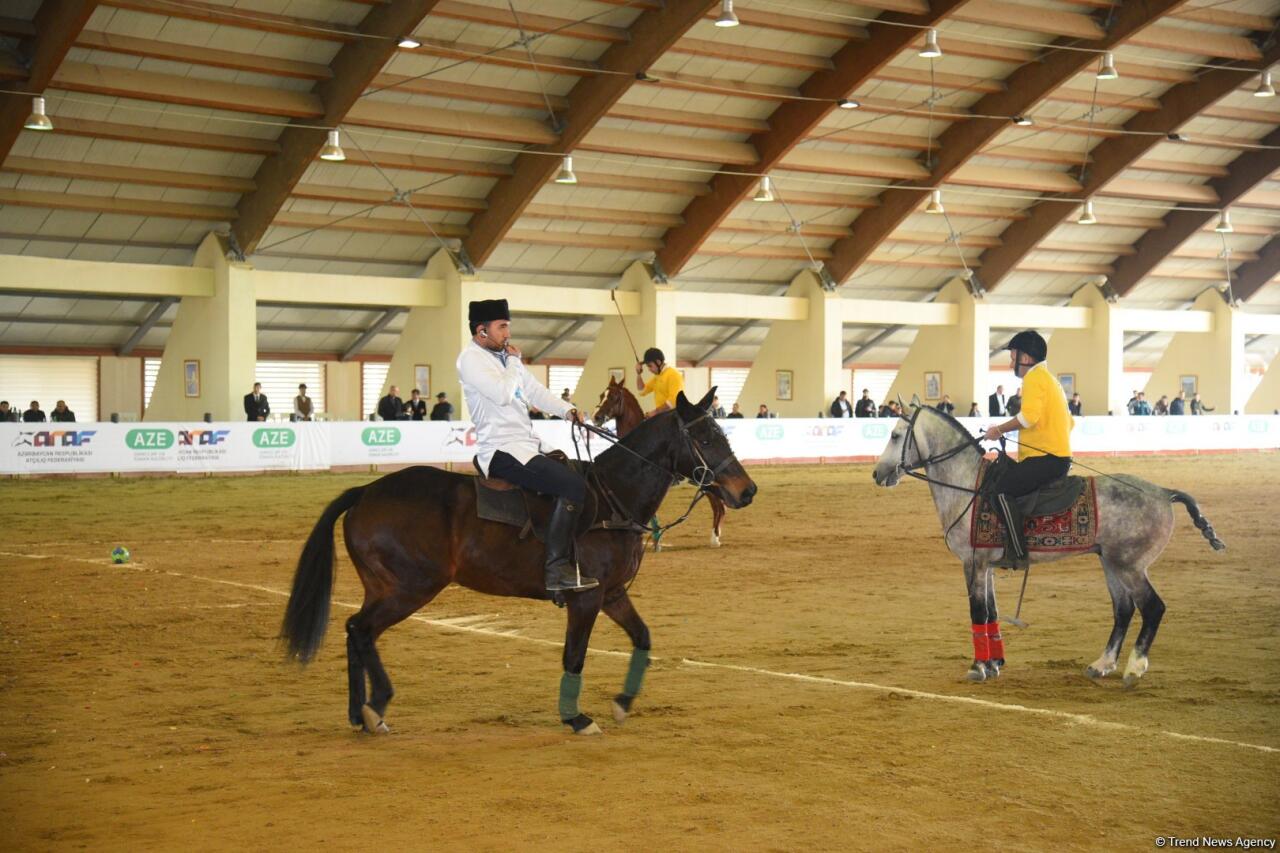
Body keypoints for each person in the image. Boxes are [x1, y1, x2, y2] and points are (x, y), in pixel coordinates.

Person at [457, 298, 595, 593]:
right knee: (572, 487)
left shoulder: (504, 360)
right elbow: (503, 394)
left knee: (584, 476)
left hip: (527, 446)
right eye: (502, 327)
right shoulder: (471, 360)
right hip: (501, 451)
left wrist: (567, 410)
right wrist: (515, 363)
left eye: (508, 326)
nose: (508, 333)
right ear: (482, 330)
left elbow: (536, 392)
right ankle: (556, 569)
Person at [983, 330, 1073, 570]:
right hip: (1055, 455)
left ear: (1026, 358)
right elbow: (1068, 423)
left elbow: (1028, 417)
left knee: (1000, 492)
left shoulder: (1033, 378)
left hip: (1046, 458)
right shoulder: (1049, 379)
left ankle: (1018, 553)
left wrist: (998, 430)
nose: (1011, 363)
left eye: (1013, 357)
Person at [634, 346, 684, 417]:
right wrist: (638, 374)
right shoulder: (657, 377)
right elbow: (642, 390)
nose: (649, 369)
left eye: (650, 366)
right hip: (663, 417)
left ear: (658, 362)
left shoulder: (673, 374)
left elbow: (674, 400)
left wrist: (655, 412)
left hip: (675, 418)